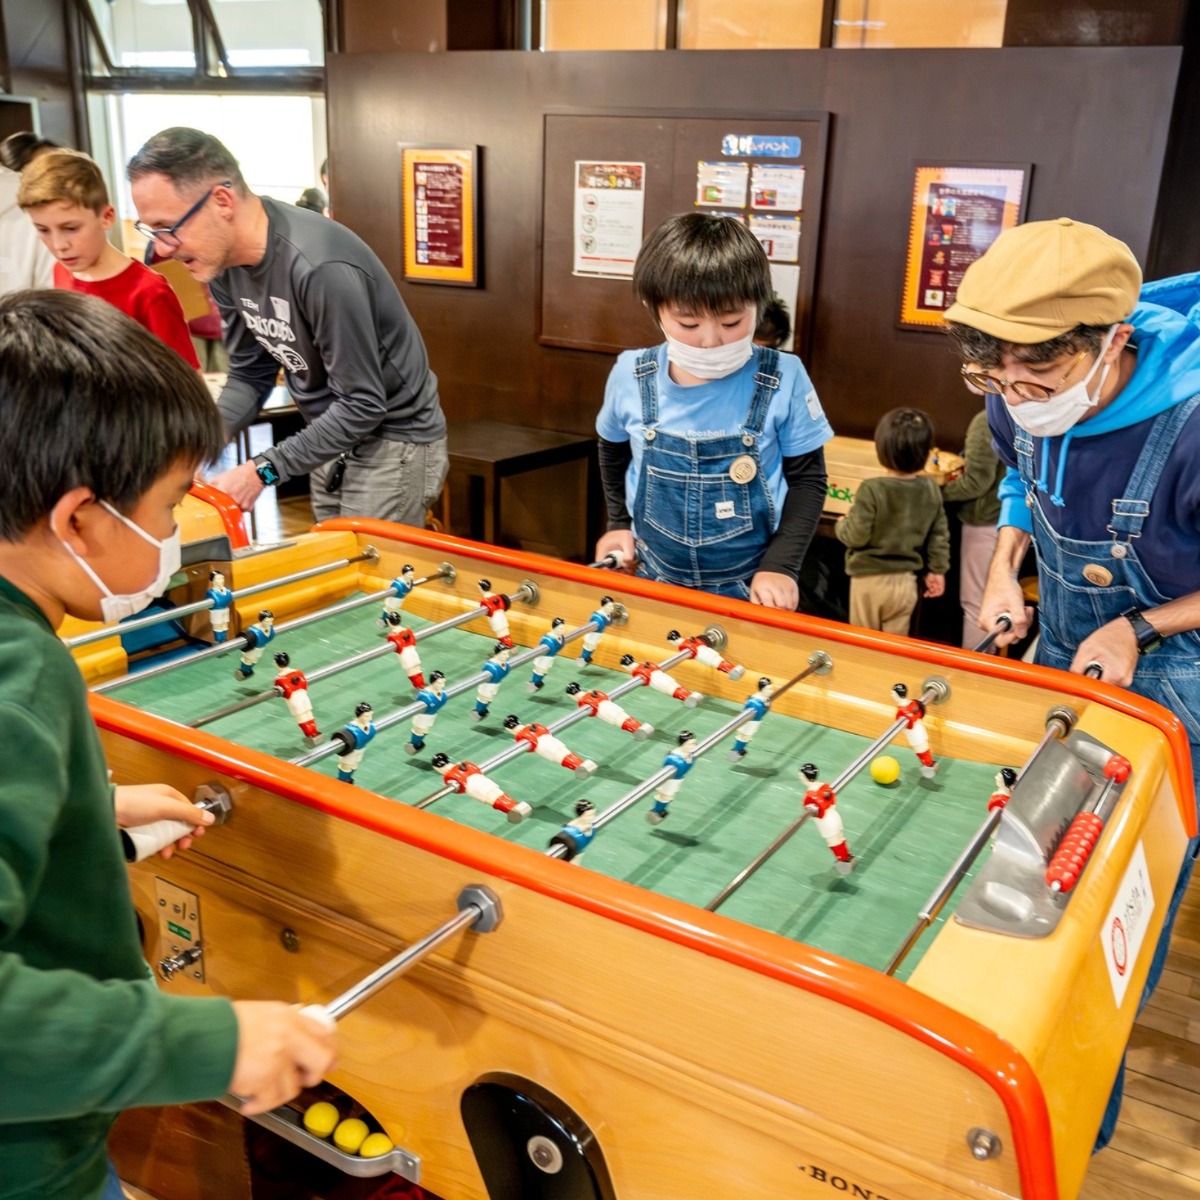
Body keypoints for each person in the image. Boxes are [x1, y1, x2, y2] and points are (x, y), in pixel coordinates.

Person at [0, 290, 336, 1200]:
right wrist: (212, 1043)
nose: (175, 530)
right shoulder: (18, 677)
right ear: (77, 520)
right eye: (168, 503)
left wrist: (86, 821)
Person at [942, 215, 1200, 1147]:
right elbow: (1022, 476)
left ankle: (1075, 1114)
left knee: (1111, 902)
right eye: (993, 381)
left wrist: (1137, 626)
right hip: (1069, 645)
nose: (1015, 400)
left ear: (1111, 344)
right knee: (1027, 859)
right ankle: (994, 1083)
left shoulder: (1193, 422)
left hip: (1181, 669)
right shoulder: (1019, 399)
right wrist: (1008, 566)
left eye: (1039, 382)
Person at [126, 127, 448, 527]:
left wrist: (262, 470)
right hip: (330, 436)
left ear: (222, 200)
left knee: (373, 583)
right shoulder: (223, 265)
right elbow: (249, 375)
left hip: (394, 439)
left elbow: (363, 404)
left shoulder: (319, 266)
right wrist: (197, 444)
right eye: (151, 231)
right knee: (334, 572)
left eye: (168, 227)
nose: (161, 248)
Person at [594, 212, 831, 609]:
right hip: (652, 574)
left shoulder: (784, 377)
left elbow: (808, 480)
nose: (710, 341)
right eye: (687, 323)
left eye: (732, 321)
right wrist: (617, 523)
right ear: (655, 309)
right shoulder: (630, 374)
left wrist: (781, 565)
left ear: (759, 305)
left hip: (748, 583)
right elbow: (611, 449)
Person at [17, 148, 198, 366]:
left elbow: (186, 380)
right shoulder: (61, 271)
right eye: (44, 230)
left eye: (71, 228)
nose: (59, 245)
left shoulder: (150, 293)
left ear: (107, 217)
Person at [834, 407, 949, 634]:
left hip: (868, 582)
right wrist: (938, 571)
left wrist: (841, 524)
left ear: (881, 449)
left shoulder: (872, 489)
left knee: (863, 644)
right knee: (895, 652)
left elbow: (856, 536)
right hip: (906, 583)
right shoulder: (931, 489)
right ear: (926, 453)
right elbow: (939, 535)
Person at [940, 407, 1005, 649]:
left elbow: (976, 482)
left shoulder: (988, 419)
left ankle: (974, 676)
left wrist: (934, 491)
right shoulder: (1026, 411)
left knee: (976, 605)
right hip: (1011, 522)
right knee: (995, 605)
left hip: (984, 522)